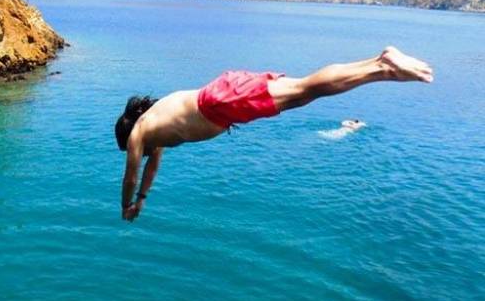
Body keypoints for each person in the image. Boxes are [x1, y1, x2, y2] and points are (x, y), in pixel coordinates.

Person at [115, 46, 433, 222]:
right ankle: (380, 65)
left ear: (127, 134)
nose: (138, 153)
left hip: (219, 102)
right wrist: (142, 200)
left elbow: (131, 176)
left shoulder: (139, 133)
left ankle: (382, 66)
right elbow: (151, 169)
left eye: (130, 148)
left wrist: (125, 206)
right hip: (222, 100)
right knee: (304, 93)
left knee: (305, 88)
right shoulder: (155, 127)